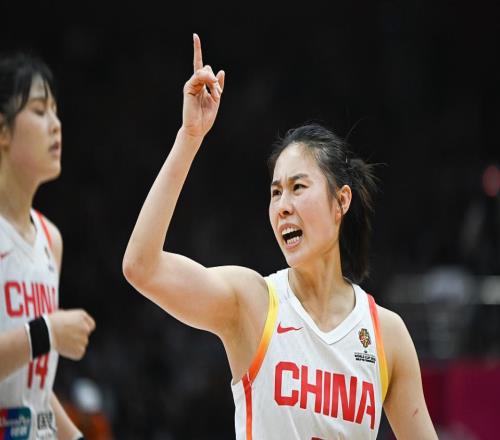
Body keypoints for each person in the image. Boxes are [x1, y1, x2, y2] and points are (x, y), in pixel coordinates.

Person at [123, 34, 438, 439]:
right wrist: (190, 137)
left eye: (298, 187)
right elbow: (141, 266)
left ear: (341, 201)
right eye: (275, 193)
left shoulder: (386, 335)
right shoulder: (251, 303)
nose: (282, 206)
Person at [0, 53, 96, 440]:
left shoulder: (50, 239)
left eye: (55, 111)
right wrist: (46, 333)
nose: (55, 124)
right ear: (3, 131)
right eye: (40, 111)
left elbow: (33, 392)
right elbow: (40, 338)